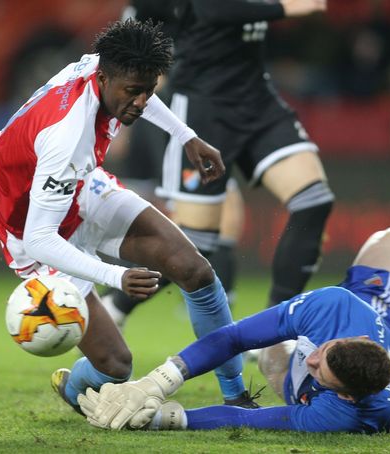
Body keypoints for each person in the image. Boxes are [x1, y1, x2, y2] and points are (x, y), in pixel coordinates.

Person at [0, 19, 253, 413]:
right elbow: (42, 238)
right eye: (132, 93)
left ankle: (236, 396)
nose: (141, 102)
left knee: (195, 271)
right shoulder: (66, 137)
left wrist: (186, 136)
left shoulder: (104, 66)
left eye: (148, 91)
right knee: (115, 367)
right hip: (31, 226)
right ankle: (74, 387)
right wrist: (116, 275)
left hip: (81, 188)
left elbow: (139, 88)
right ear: (105, 78)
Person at [76, 226, 390, 433]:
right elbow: (233, 336)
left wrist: (171, 419)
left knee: (274, 355)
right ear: (343, 340)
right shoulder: (333, 310)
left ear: (345, 397)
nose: (312, 359)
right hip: (371, 314)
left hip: (378, 376)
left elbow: (250, 422)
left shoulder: (340, 416)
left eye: (320, 371)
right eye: (322, 354)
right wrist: (160, 380)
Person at [104, 0, 335, 329]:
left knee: (314, 201)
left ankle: (279, 328)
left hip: (258, 102)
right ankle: (116, 304)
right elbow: (210, 9)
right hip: (203, 111)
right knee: (197, 242)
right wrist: (284, 7)